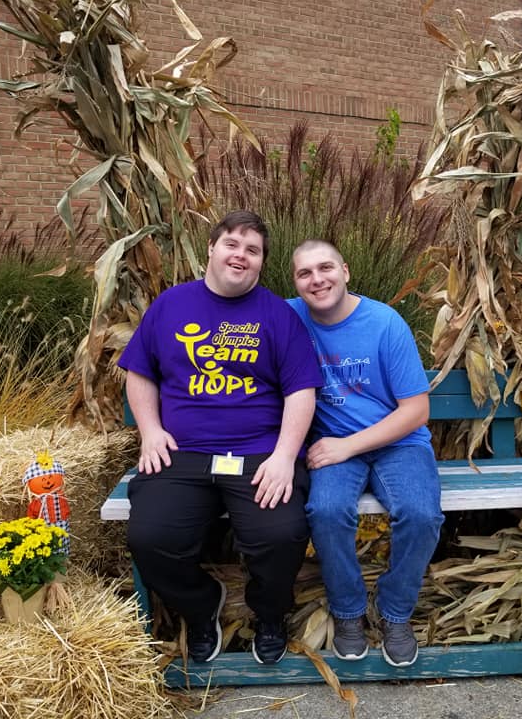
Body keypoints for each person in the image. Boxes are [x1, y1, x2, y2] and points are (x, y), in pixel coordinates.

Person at [118, 211, 322, 665]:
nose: (241, 255)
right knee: (149, 537)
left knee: (282, 534)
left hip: (257, 455)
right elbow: (140, 372)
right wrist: (150, 432)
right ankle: (200, 605)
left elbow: (301, 391)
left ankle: (269, 615)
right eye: (232, 244)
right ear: (211, 248)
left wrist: (285, 456)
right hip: (183, 454)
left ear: (261, 263)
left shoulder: (277, 316)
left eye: (253, 250)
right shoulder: (171, 305)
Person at [288, 239, 444, 667]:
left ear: (346, 270)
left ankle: (394, 612)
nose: (317, 280)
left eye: (326, 268)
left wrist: (347, 446)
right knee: (324, 509)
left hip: (396, 443)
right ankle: (350, 611)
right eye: (305, 273)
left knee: (421, 513)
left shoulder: (384, 323)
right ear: (296, 283)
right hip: (333, 447)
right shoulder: (287, 317)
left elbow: (416, 410)